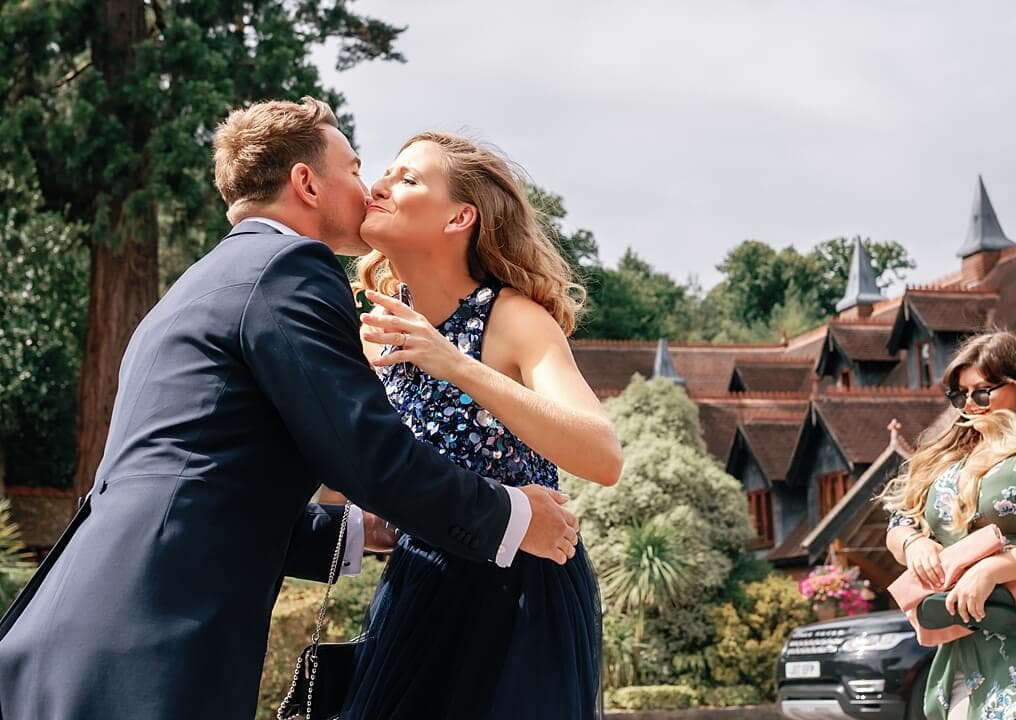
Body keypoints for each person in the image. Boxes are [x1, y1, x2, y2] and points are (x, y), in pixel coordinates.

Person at [0, 98, 578, 720]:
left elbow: (205, 483)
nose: (370, 187)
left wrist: (365, 531)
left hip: (82, 617)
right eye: (355, 169)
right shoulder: (289, 269)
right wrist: (513, 517)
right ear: (306, 182)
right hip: (154, 634)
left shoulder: (201, 283)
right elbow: (370, 455)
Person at [339, 131, 622, 719]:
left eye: (408, 178)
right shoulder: (375, 328)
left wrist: (454, 363)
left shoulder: (516, 317)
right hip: (416, 587)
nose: (380, 185)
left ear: (460, 217)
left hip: (522, 600)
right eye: (385, 174)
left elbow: (603, 455)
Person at [881, 331, 1016, 719]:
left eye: (982, 391)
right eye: (960, 395)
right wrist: (913, 544)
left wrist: (994, 567)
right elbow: (901, 519)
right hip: (965, 635)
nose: (970, 404)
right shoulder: (946, 456)